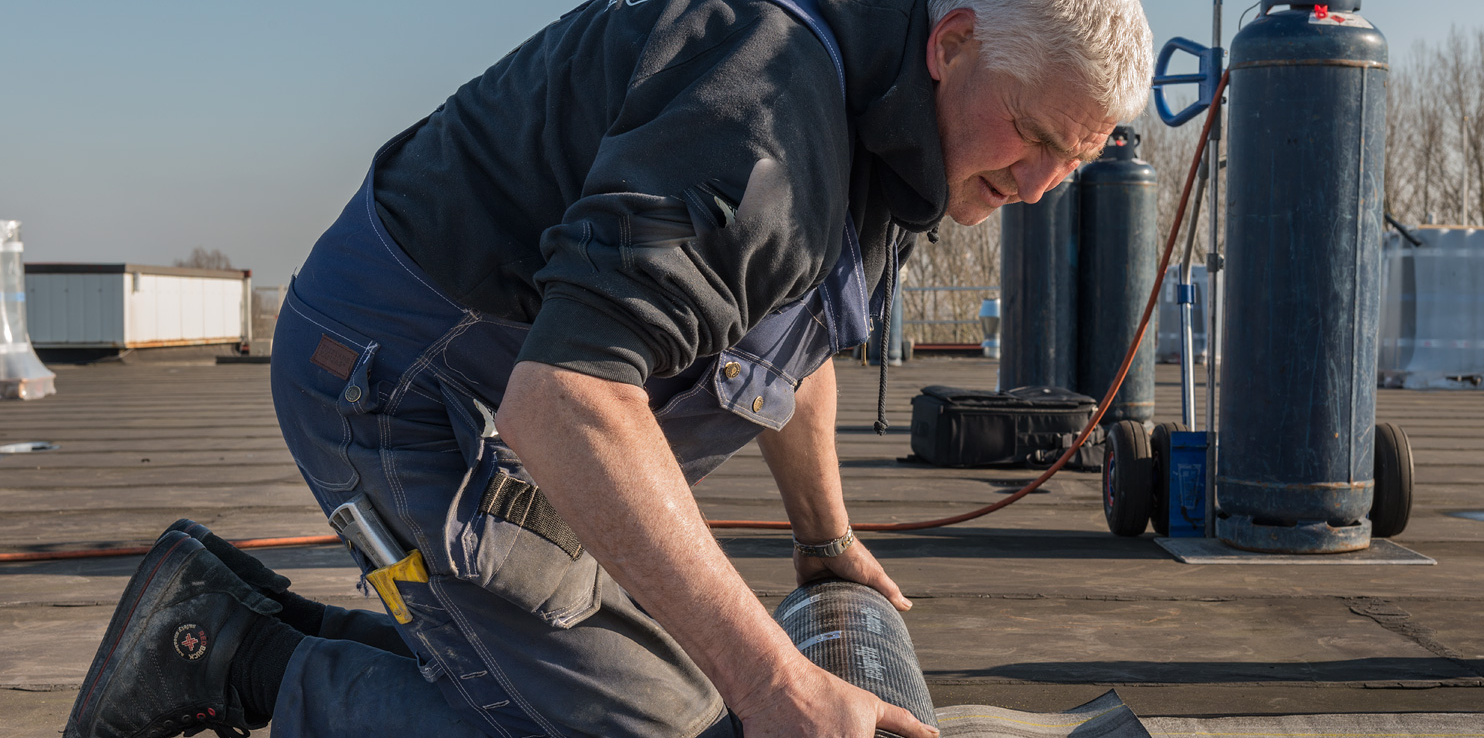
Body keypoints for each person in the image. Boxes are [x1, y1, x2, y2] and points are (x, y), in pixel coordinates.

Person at [64, 0, 1152, 736]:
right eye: (1030, 137)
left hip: (513, 414)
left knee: (679, 698)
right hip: (400, 382)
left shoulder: (904, 127)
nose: (1043, 183)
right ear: (952, 39)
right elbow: (569, 398)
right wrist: (776, 677)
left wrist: (828, 544)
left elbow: (790, 339)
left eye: (1075, 156)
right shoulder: (767, 140)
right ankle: (230, 655)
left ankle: (238, 617)